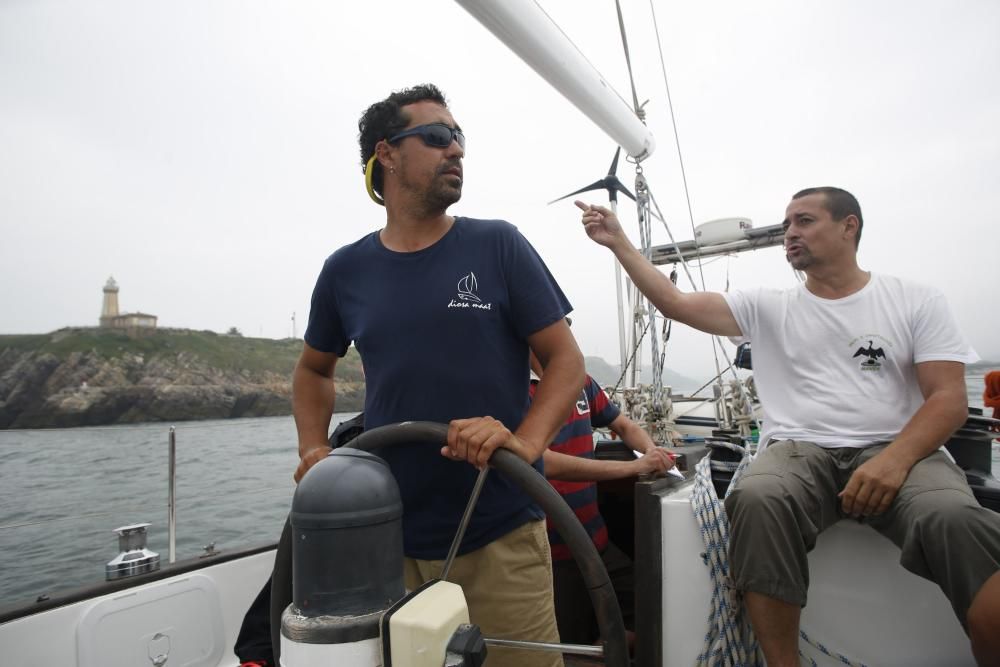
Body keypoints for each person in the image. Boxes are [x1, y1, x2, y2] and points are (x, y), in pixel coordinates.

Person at [576, 186, 1000, 666]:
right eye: (786, 225)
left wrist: (894, 461)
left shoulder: (914, 301)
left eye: (804, 221)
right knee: (758, 499)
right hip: (798, 449)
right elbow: (674, 302)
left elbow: (947, 400)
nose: (789, 234)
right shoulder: (767, 307)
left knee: (955, 518)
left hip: (899, 447)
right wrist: (620, 243)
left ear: (849, 226)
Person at [293, 84, 585, 667]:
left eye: (459, 138)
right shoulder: (344, 270)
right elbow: (312, 370)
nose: (456, 150)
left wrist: (524, 443)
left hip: (500, 528)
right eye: (436, 136)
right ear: (388, 154)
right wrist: (312, 448)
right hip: (386, 537)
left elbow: (566, 362)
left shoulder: (497, 244)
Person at [529, 348, 675, 646]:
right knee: (568, 642)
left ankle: (608, 650)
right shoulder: (517, 390)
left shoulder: (582, 383)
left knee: (646, 606)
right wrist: (632, 467)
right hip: (553, 553)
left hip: (596, 541)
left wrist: (651, 451)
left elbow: (623, 425)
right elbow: (543, 461)